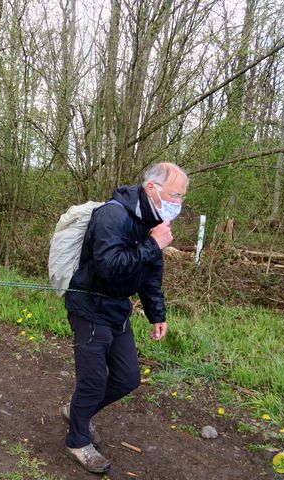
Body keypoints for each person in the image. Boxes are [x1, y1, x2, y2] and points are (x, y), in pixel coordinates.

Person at [61, 162, 188, 473]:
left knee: (128, 378)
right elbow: (109, 267)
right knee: (92, 382)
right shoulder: (113, 215)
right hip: (89, 306)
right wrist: (153, 245)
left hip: (117, 309)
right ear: (151, 189)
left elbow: (150, 275)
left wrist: (157, 314)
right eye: (175, 195)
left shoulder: (154, 220)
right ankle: (78, 440)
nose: (178, 204)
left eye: (183, 198)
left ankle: (76, 411)